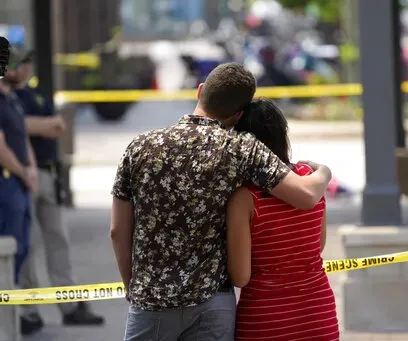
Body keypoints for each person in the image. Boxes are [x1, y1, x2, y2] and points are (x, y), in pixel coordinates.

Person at [110, 62, 332, 341]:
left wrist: (134, 287)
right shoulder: (241, 149)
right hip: (212, 304)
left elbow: (117, 230)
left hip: (151, 302)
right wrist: (324, 172)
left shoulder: (139, 147)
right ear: (238, 115)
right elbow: (307, 195)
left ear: (200, 90)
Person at [9, 49, 104, 336]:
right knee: (28, 246)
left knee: (58, 241)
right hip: (21, 175)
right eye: (17, 64)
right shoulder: (8, 98)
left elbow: (57, 126)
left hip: (48, 174)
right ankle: (29, 310)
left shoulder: (37, 96)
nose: (24, 68)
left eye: (26, 63)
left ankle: (70, 306)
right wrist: (42, 126)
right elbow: (20, 126)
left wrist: (38, 126)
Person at [228, 98, 339, 341]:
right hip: (318, 315)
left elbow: (240, 276)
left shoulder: (245, 198)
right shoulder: (309, 179)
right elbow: (317, 247)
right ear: (282, 135)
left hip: (265, 320)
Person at [0, 50, 38, 288]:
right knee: (9, 247)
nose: (20, 69)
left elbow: (22, 138)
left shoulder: (13, 100)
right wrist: (24, 173)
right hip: (7, 182)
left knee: (21, 247)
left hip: (20, 181)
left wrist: (31, 168)